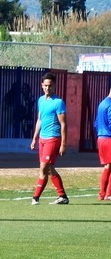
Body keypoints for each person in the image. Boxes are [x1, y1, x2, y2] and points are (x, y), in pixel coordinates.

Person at [30, 73, 69, 205]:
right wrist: (34, 138)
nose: (48, 88)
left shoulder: (58, 102)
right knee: (50, 169)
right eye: (46, 85)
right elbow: (39, 120)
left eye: (50, 85)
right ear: (42, 85)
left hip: (53, 138)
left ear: (54, 86)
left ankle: (35, 198)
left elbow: (63, 124)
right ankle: (63, 196)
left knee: (43, 168)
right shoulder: (41, 100)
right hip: (42, 139)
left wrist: (63, 144)